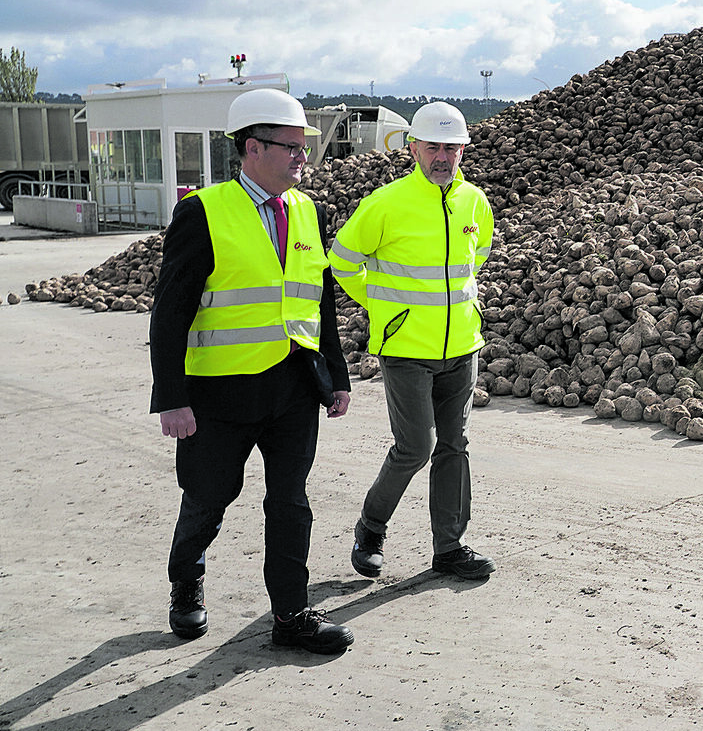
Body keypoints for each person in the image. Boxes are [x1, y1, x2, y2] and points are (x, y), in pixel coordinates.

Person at [151, 88, 355, 654]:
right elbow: (170, 312)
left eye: (303, 147)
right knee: (209, 495)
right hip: (220, 392)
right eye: (291, 148)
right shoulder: (203, 212)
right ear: (251, 148)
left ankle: (291, 616)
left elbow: (320, 298)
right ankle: (186, 583)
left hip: (293, 385)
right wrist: (171, 397)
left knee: (290, 500)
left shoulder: (309, 212)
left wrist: (335, 373)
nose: (302, 159)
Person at [330, 100, 496, 581]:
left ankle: (449, 547)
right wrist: (385, 306)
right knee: (415, 447)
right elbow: (341, 261)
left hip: (462, 345)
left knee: (454, 446)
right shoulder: (385, 204)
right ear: (413, 149)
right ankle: (371, 528)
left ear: (463, 149)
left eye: (451, 148)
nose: (442, 157)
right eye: (433, 147)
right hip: (405, 351)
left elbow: (476, 255)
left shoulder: (474, 201)